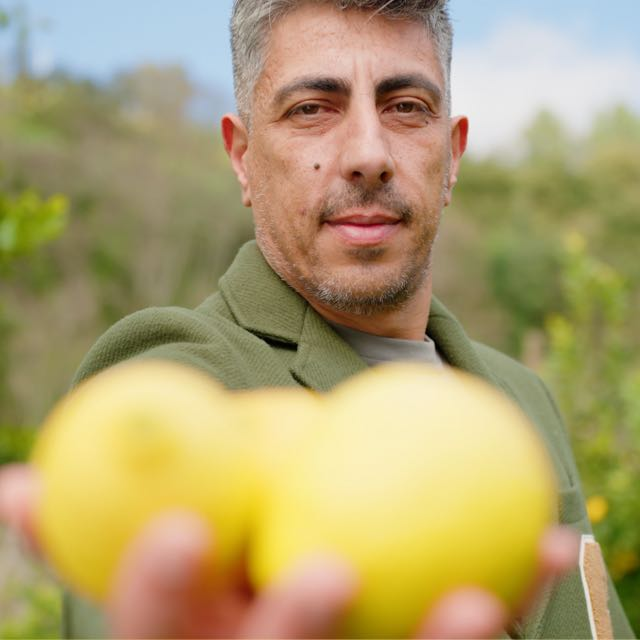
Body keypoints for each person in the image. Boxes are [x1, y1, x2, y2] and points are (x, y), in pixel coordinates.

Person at [0, 0, 634, 637]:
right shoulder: (176, 381)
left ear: (454, 153)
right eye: (312, 109)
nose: (368, 153)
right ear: (243, 158)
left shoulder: (524, 393)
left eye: (406, 106)